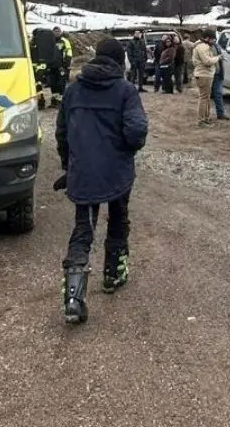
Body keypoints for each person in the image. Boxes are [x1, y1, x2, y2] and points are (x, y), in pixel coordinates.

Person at [54, 38, 148, 324]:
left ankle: (73, 295)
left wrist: (70, 165)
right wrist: (126, 151)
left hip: (83, 171)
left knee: (83, 227)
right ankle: (112, 274)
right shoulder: (125, 91)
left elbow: (61, 133)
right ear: (120, 62)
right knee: (118, 218)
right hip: (116, 169)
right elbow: (136, 131)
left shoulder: (73, 90)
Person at [192, 29, 220, 125]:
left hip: (205, 74)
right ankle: (201, 120)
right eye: (213, 39)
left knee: (206, 97)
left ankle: (205, 118)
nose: (214, 41)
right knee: (204, 98)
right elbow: (207, 61)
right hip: (204, 75)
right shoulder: (203, 47)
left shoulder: (204, 46)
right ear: (207, 38)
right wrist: (218, 58)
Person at [48, 27, 73, 107]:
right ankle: (54, 100)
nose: (56, 33)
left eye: (58, 31)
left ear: (61, 32)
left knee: (61, 83)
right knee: (53, 83)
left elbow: (69, 52)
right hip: (51, 66)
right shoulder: (49, 42)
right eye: (55, 31)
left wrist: (66, 64)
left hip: (61, 66)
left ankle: (61, 101)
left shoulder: (64, 41)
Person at [210, 38, 229, 120]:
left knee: (218, 94)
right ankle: (204, 116)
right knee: (206, 95)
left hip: (218, 73)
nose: (213, 40)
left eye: (214, 39)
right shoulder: (204, 47)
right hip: (209, 74)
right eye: (211, 38)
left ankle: (220, 114)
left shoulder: (217, 46)